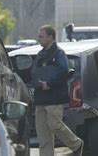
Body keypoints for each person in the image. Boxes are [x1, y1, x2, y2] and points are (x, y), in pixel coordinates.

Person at [33, 25, 83, 156]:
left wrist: (49, 83)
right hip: (40, 97)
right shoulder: (40, 54)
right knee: (43, 133)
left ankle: (76, 144)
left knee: (55, 125)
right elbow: (35, 72)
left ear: (50, 37)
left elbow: (63, 71)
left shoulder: (59, 53)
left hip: (54, 96)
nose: (39, 39)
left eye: (41, 36)